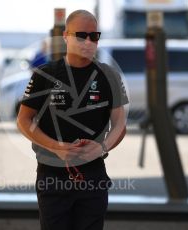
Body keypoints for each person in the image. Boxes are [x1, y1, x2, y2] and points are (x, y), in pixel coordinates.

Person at [17, 10, 129, 230]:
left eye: (94, 36)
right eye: (81, 35)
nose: (88, 42)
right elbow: (23, 120)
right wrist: (55, 147)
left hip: (93, 174)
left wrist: (101, 147)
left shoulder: (109, 76)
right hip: (52, 174)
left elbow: (119, 125)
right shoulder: (45, 74)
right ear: (66, 36)